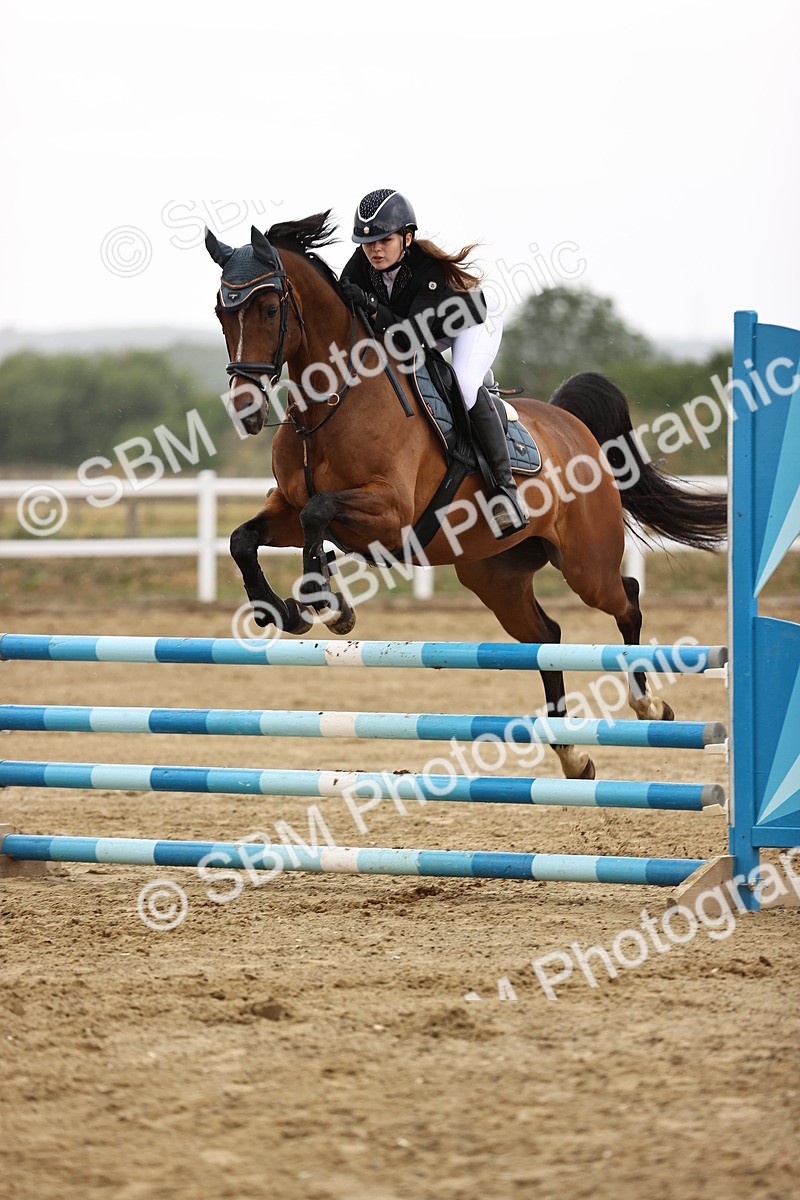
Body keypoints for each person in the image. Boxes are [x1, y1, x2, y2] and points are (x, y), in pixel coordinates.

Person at [339, 189, 528, 537]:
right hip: (420, 328)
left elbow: (408, 338)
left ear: (406, 237)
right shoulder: (362, 260)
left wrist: (369, 304)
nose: (375, 250)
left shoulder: (426, 270)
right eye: (368, 243)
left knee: (464, 384)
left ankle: (506, 492)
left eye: (385, 240)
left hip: (470, 324)